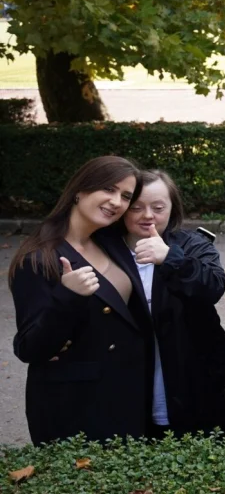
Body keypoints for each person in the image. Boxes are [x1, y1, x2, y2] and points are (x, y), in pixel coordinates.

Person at [8, 156, 152, 444]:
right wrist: (67, 296)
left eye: (125, 196)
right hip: (77, 404)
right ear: (79, 190)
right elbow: (30, 347)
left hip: (128, 390)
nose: (116, 202)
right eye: (108, 190)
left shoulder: (112, 242)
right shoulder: (38, 259)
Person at [123, 170, 225, 437]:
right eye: (136, 207)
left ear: (173, 208)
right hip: (133, 387)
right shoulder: (108, 251)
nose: (148, 215)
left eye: (158, 207)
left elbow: (213, 285)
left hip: (200, 386)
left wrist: (171, 258)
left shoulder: (192, 244)